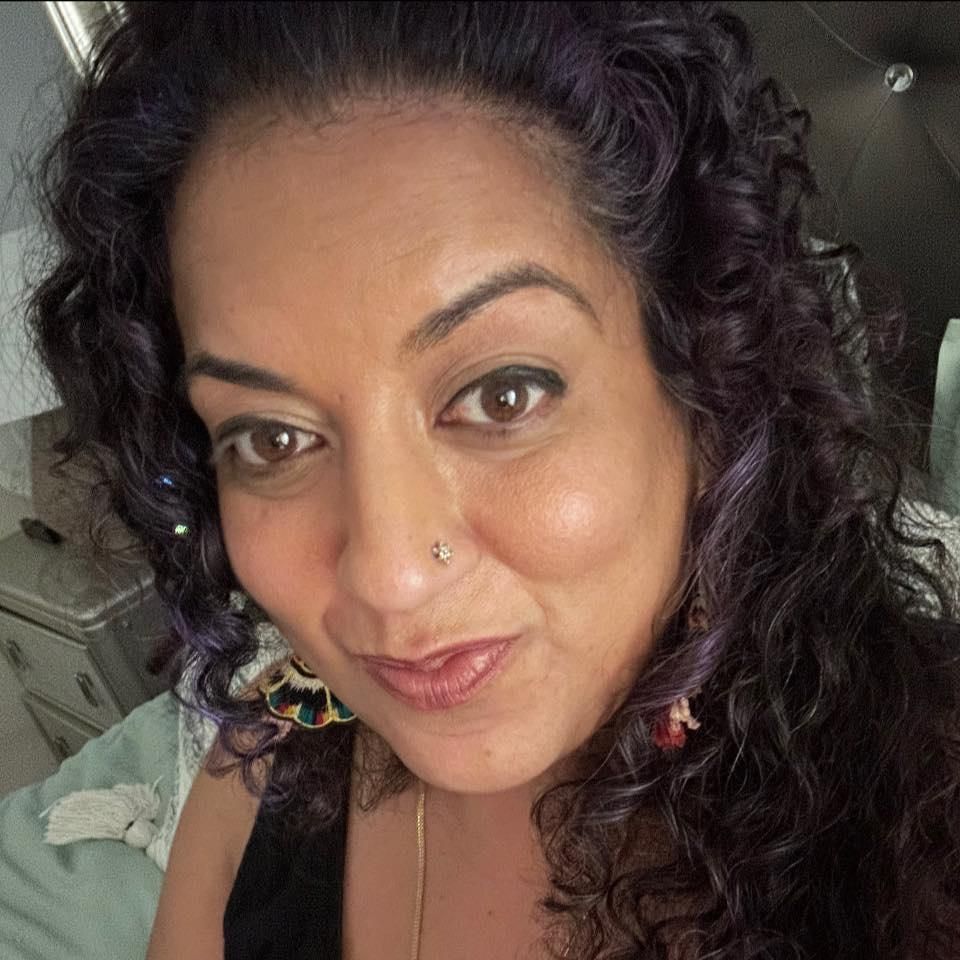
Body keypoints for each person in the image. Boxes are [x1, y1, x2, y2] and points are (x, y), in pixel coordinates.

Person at [26, 2, 960, 958]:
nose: (389, 576)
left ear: (710, 394)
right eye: (272, 438)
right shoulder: (259, 767)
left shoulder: (925, 823)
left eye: (503, 395)